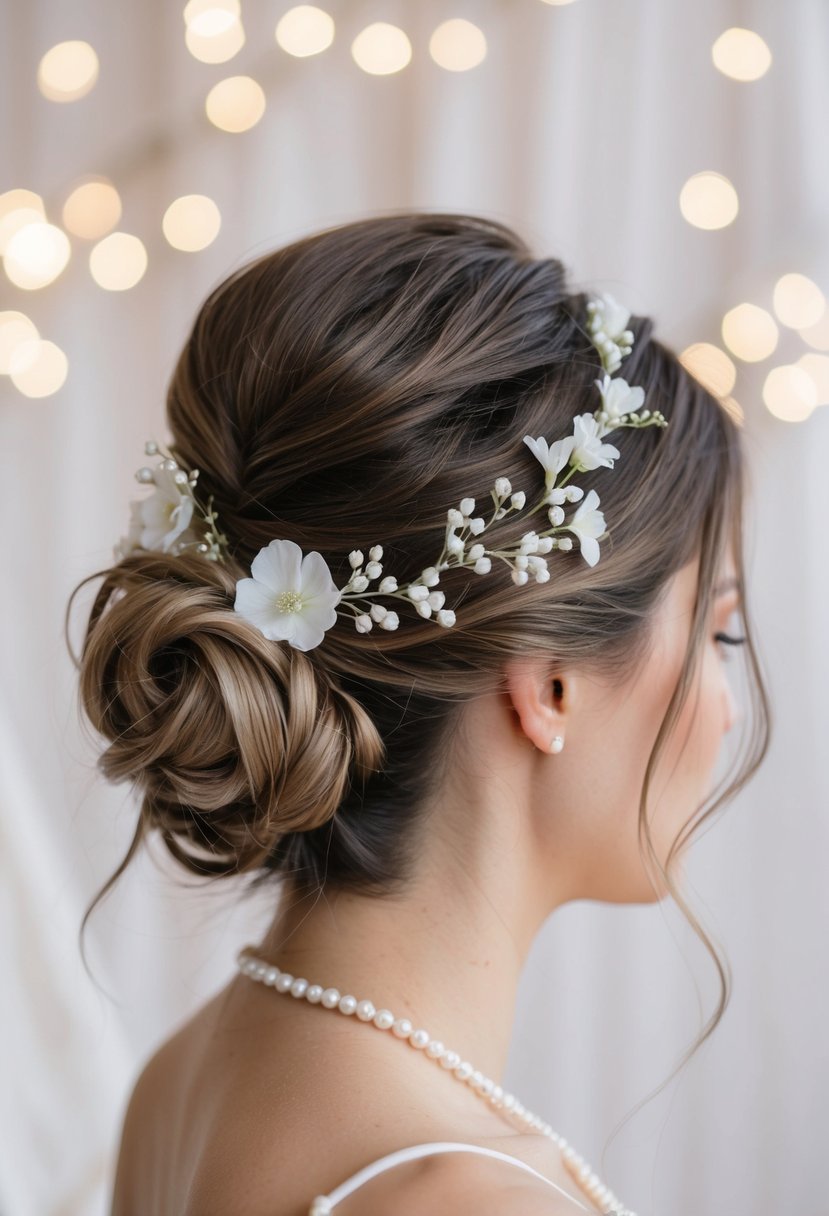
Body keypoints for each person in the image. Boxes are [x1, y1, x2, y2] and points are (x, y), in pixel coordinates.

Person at [67, 212, 770, 1215]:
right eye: (717, 635)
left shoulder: (180, 1084)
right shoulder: (471, 1197)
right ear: (551, 681)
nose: (728, 712)